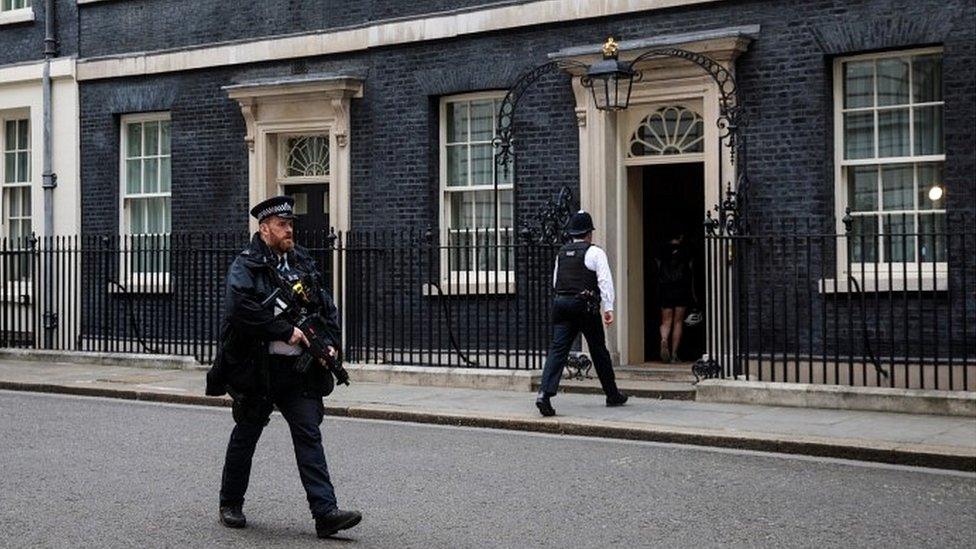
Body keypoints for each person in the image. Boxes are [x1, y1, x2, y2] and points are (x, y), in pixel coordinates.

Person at [205, 195, 362, 539]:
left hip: (297, 372)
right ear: (264, 229)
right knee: (246, 435)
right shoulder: (246, 265)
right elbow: (240, 309)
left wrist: (331, 344)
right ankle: (230, 503)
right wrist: (285, 330)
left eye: (290, 224)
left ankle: (325, 513)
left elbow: (325, 306)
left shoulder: (302, 260)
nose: (289, 229)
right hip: (258, 369)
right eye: (281, 224)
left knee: (309, 434)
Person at [535, 210, 629, 417]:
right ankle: (612, 394)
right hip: (584, 306)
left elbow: (555, 282)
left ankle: (544, 394)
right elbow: (605, 281)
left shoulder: (562, 253)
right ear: (589, 233)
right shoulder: (594, 252)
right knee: (598, 350)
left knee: (558, 350)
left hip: (561, 304)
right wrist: (609, 307)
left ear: (572, 233)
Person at [655, 233, 695, 363]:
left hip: (666, 288)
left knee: (666, 321)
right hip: (681, 288)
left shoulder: (662, 250)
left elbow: (657, 266)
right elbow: (691, 269)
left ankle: (664, 339)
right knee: (678, 322)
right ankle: (674, 355)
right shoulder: (686, 250)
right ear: (681, 236)